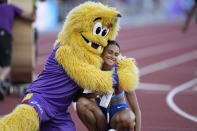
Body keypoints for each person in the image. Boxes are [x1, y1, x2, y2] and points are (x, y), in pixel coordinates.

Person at [76, 40, 141, 131]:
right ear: (102, 52)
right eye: (110, 52)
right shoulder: (94, 71)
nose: (113, 56)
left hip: (118, 114)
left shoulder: (122, 72)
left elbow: (136, 110)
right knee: (81, 103)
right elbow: (77, 96)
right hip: (100, 115)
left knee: (128, 118)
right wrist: (96, 94)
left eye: (116, 54)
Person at [0, 0, 35, 100]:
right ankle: (0, 81)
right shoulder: (11, 7)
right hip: (4, 35)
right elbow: (29, 17)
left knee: (1, 64)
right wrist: (34, 10)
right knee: (6, 66)